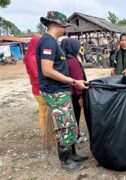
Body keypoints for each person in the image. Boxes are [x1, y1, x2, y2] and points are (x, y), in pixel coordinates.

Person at [36, 11, 89, 171]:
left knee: (70, 124)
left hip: (60, 90)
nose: (66, 29)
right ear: (58, 25)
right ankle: (66, 161)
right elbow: (47, 70)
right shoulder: (48, 43)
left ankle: (72, 155)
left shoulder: (52, 42)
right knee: (65, 126)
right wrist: (73, 81)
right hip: (54, 91)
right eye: (65, 25)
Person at [61, 38, 88, 144]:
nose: (78, 48)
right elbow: (77, 79)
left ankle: (76, 133)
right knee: (75, 116)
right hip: (75, 94)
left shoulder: (64, 59)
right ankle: (76, 136)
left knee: (71, 116)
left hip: (68, 92)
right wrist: (81, 96)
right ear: (72, 47)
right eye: (77, 46)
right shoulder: (72, 61)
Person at [24, 35, 47, 136]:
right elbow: (38, 76)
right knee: (45, 112)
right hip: (39, 89)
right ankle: (45, 131)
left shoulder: (31, 55)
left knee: (43, 111)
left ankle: (44, 131)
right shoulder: (32, 58)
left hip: (37, 88)